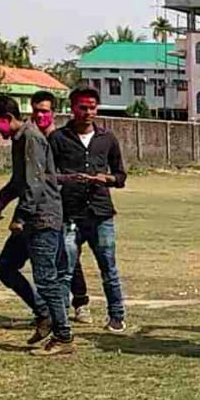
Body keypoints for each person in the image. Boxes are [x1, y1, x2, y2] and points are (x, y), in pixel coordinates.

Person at [0, 95, 74, 354]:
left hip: (42, 218)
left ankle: (64, 337)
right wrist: (2, 200)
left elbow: (34, 185)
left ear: (7, 118)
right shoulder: (19, 139)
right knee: (5, 267)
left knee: (47, 279)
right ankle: (43, 313)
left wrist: (19, 218)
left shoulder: (32, 139)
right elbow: (19, 180)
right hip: (32, 217)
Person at [48, 87, 129, 333]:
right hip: (69, 213)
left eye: (92, 107)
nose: (88, 112)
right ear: (72, 108)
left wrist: (106, 179)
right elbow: (49, 176)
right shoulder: (59, 138)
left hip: (101, 213)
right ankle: (60, 321)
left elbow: (121, 176)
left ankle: (116, 316)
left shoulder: (107, 139)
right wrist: (70, 179)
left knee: (109, 268)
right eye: (82, 107)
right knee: (65, 271)